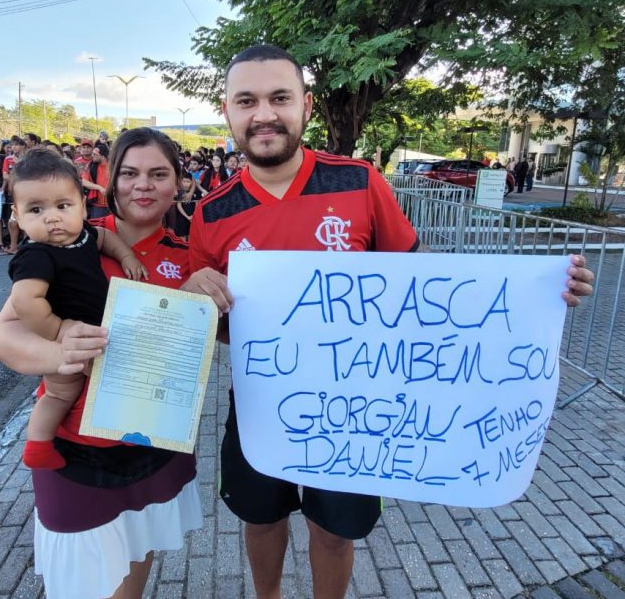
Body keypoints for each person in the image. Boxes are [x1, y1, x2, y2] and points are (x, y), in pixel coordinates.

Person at [188, 43, 595, 599]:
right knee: (260, 521)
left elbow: (420, 290)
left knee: (334, 531)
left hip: (360, 411)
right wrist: (195, 301)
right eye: (247, 100)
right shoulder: (212, 214)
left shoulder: (358, 182)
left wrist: (537, 295)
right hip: (262, 404)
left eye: (279, 97)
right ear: (229, 111)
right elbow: (212, 327)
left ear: (305, 105)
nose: (264, 113)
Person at [0, 127, 230, 599]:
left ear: (177, 183)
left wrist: (208, 298)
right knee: (84, 581)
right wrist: (64, 351)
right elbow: (2, 337)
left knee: (137, 561)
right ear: (110, 180)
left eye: (159, 174)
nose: (144, 185)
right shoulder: (68, 241)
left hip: (153, 440)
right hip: (76, 448)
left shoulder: (187, 257)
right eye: (130, 173)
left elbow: (208, 338)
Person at [8, 147, 148, 470]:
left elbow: (105, 239)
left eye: (62, 205)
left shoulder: (82, 235)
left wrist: (126, 256)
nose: (52, 217)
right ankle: (38, 445)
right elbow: (25, 301)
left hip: (93, 335)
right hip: (66, 340)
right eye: (36, 210)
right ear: (17, 215)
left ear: (83, 206)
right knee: (59, 394)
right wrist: (59, 331)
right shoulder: (36, 255)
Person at [81, 144, 111, 218]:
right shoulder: (90, 166)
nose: (92, 156)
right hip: (97, 206)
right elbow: (84, 182)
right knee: (97, 228)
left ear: (102, 156)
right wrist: (99, 187)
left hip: (113, 204)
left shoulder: (113, 166)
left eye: (94, 154)